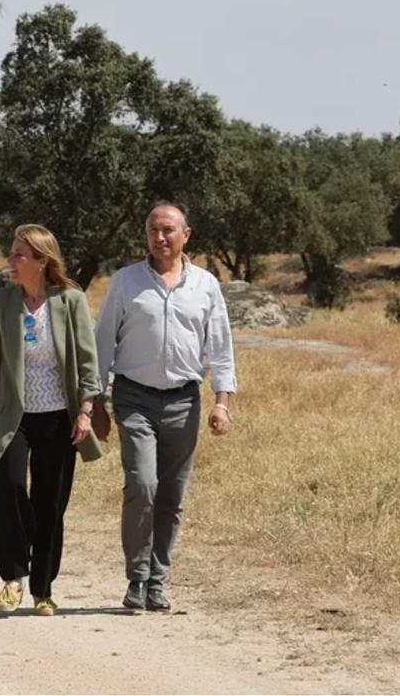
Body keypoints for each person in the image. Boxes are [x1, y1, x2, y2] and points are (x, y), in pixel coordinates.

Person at [91, 202, 236, 612]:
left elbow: (220, 348)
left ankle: (158, 580)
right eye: (153, 230)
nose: (160, 237)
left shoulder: (206, 285)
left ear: (185, 235)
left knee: (172, 494)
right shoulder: (126, 281)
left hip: (183, 401)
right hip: (133, 397)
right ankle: (136, 578)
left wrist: (222, 403)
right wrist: (95, 402)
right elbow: (103, 342)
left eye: (168, 230)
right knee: (142, 484)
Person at [0, 224, 101, 617]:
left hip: (59, 418)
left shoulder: (70, 301)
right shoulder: (2, 302)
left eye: (19, 255)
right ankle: (13, 577)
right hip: (14, 416)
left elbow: (88, 362)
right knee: (10, 488)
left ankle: (43, 588)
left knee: (50, 501)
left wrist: (85, 411)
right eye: (11, 253)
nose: (10, 261)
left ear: (42, 261)